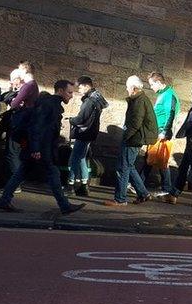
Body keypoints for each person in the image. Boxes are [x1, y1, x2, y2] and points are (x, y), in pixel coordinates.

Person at [0, 80, 84, 215]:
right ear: (60, 91)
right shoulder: (48, 104)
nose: (71, 96)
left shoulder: (50, 104)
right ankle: (64, 206)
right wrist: (35, 149)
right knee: (53, 174)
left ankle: (4, 200)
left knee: (21, 172)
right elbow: (36, 126)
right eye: (69, 92)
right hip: (42, 149)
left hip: (40, 148)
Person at [104, 76, 158, 207]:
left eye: (128, 87)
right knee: (130, 166)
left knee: (122, 168)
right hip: (136, 137)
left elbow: (135, 123)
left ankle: (120, 199)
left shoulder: (139, 101)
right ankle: (143, 193)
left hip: (134, 138)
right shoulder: (140, 99)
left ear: (134, 88)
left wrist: (125, 136)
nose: (126, 89)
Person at [67, 76, 108, 197]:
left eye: (80, 87)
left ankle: (71, 185)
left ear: (86, 86)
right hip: (91, 133)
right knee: (82, 158)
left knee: (74, 158)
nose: (78, 90)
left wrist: (71, 120)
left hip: (84, 133)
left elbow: (81, 118)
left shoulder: (90, 101)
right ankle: (84, 186)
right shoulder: (97, 98)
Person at [142, 72, 180, 197]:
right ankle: (140, 184)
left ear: (159, 82)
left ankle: (166, 188)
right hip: (158, 131)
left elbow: (171, 114)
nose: (151, 87)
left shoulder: (168, 95)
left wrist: (165, 132)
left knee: (160, 160)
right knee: (152, 158)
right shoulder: (164, 94)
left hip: (162, 132)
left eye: (152, 84)